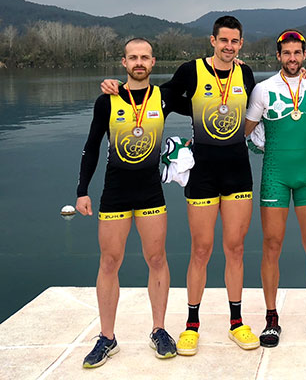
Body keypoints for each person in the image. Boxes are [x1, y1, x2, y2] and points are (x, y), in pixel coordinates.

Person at [101, 15, 259, 354]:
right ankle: (192, 325)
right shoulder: (190, 70)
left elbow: (259, 104)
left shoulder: (245, 73)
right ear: (212, 41)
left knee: (236, 249)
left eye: (235, 41)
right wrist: (117, 87)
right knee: (200, 251)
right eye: (223, 41)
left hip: (238, 173)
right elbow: (161, 98)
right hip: (201, 173)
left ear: (241, 44)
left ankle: (236, 322)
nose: (229, 46)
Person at [77, 38, 188, 368]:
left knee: (157, 258)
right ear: (123, 63)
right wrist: (82, 190)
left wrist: (234, 68)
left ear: (153, 63)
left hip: (151, 192)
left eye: (145, 57)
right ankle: (107, 338)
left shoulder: (164, 98)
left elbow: (200, 95)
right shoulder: (106, 100)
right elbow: (92, 147)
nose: (139, 62)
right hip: (115, 193)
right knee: (109, 262)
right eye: (133, 58)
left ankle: (159, 330)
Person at [243, 29, 306, 347]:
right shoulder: (263, 90)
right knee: (271, 245)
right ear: (278, 56)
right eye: (287, 53)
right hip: (275, 177)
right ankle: (271, 319)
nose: (292, 58)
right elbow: (243, 131)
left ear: (304, 55)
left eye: (297, 53)